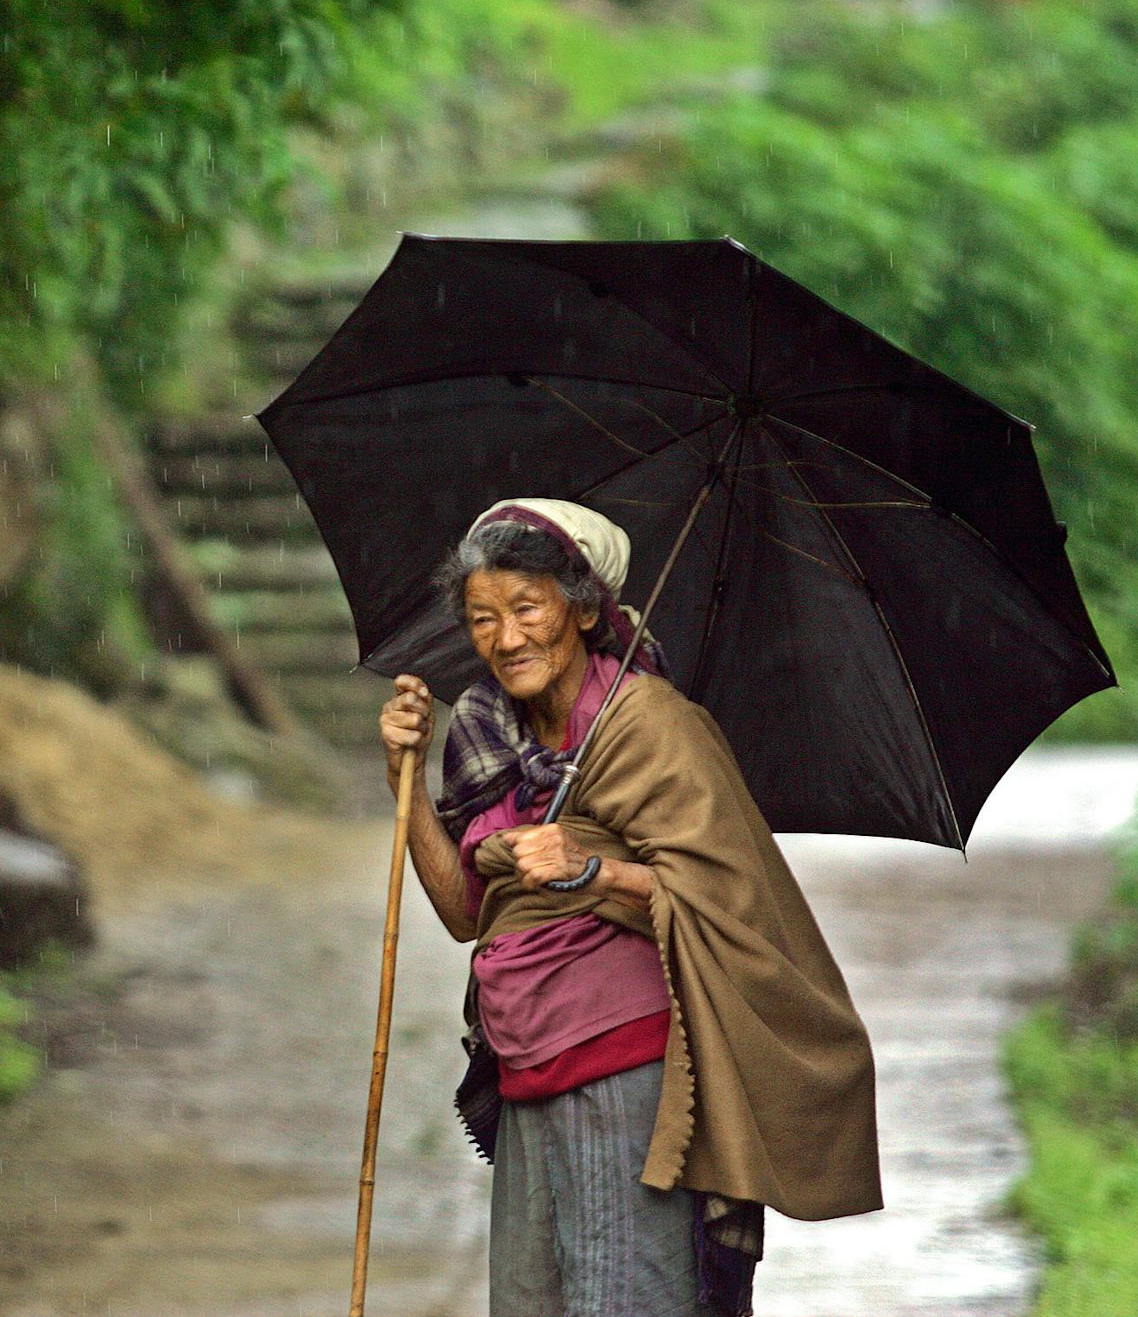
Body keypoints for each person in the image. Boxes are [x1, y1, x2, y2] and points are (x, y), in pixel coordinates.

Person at [377, 498, 881, 1317]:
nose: (506, 638)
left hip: (626, 1062)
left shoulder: (651, 725)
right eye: (482, 618)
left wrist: (592, 872)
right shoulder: (482, 728)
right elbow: (469, 914)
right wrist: (403, 778)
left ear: (583, 610)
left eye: (528, 609)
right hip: (522, 1061)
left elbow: (727, 902)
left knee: (626, 1302)